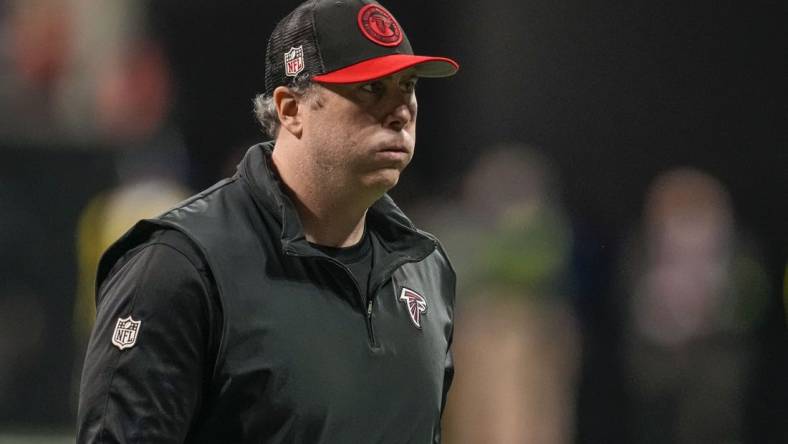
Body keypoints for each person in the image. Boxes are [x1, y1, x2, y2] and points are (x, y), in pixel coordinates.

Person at [76, 0, 459, 442]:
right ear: (290, 109)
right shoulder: (181, 266)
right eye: (371, 89)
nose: (401, 111)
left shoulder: (426, 270)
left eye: (407, 85)